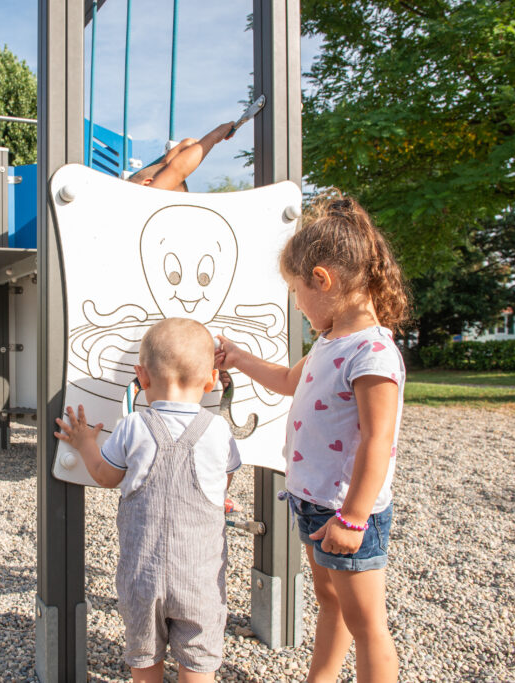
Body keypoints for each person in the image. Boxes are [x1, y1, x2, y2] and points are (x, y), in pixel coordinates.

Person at [215, 192, 408, 683]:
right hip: (313, 502)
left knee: (368, 625)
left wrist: (355, 518)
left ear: (322, 280)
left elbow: (377, 443)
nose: (298, 306)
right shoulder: (330, 341)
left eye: (296, 293)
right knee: (329, 601)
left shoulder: (373, 353)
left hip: (346, 511)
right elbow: (287, 380)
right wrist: (238, 358)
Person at [55, 317, 241, 682]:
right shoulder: (219, 430)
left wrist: (86, 443)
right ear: (210, 381)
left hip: (143, 577)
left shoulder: (133, 427)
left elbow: (106, 476)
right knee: (198, 663)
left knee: (144, 660)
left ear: (141, 377)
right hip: (200, 579)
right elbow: (225, 481)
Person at [126, 121, 237, 192]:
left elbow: (167, 168)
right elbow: (177, 170)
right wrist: (215, 135)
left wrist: (179, 148)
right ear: (147, 184)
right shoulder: (144, 199)